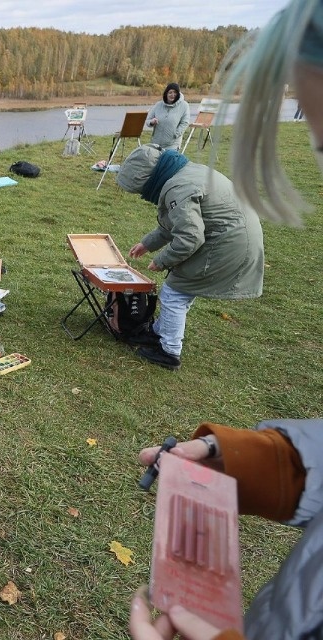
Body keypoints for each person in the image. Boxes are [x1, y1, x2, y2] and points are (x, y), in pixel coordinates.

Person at [129, 2, 323, 638]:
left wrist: (163, 267)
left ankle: (169, 349)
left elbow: (184, 236)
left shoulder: (179, 186)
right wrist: (232, 455)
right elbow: (169, 224)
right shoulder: (179, 177)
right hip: (229, 241)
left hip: (230, 252)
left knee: (180, 293)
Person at [115, 144, 264, 370]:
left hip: (228, 244)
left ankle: (169, 351)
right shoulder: (184, 172)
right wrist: (147, 244)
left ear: (149, 180)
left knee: (175, 293)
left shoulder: (179, 187)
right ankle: (159, 333)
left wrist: (162, 260)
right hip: (234, 237)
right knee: (181, 289)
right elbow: (176, 223)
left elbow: (189, 237)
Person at [146, 82, 191, 151]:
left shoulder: (184, 106)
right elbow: (148, 120)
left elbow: (185, 123)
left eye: (175, 92)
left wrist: (175, 134)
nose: (172, 95)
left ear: (178, 94)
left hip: (172, 145)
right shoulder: (158, 105)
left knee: (168, 161)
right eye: (170, 92)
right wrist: (152, 122)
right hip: (156, 144)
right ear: (166, 94)